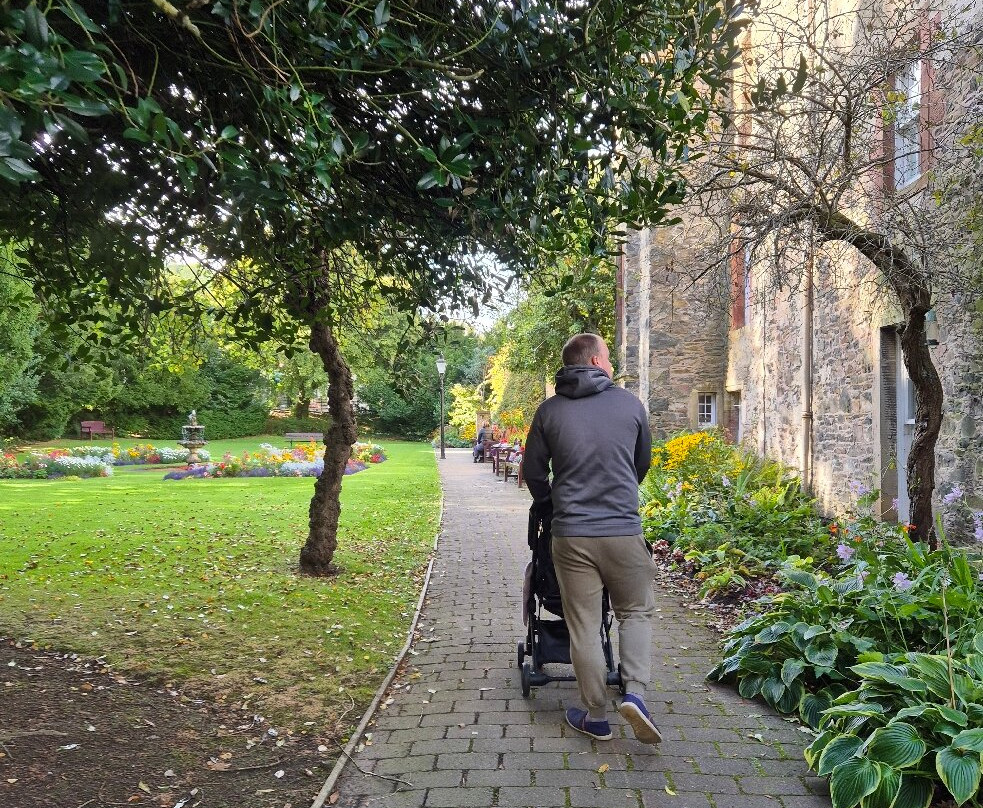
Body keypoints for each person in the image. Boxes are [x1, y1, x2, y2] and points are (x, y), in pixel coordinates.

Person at [523, 333, 661, 744]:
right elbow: (641, 464)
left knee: (583, 624)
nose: (612, 365)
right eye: (609, 358)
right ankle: (635, 693)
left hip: (572, 536)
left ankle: (595, 716)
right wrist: (617, 493)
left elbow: (534, 472)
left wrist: (551, 503)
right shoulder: (630, 404)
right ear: (598, 362)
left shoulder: (549, 410)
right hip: (623, 530)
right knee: (635, 613)